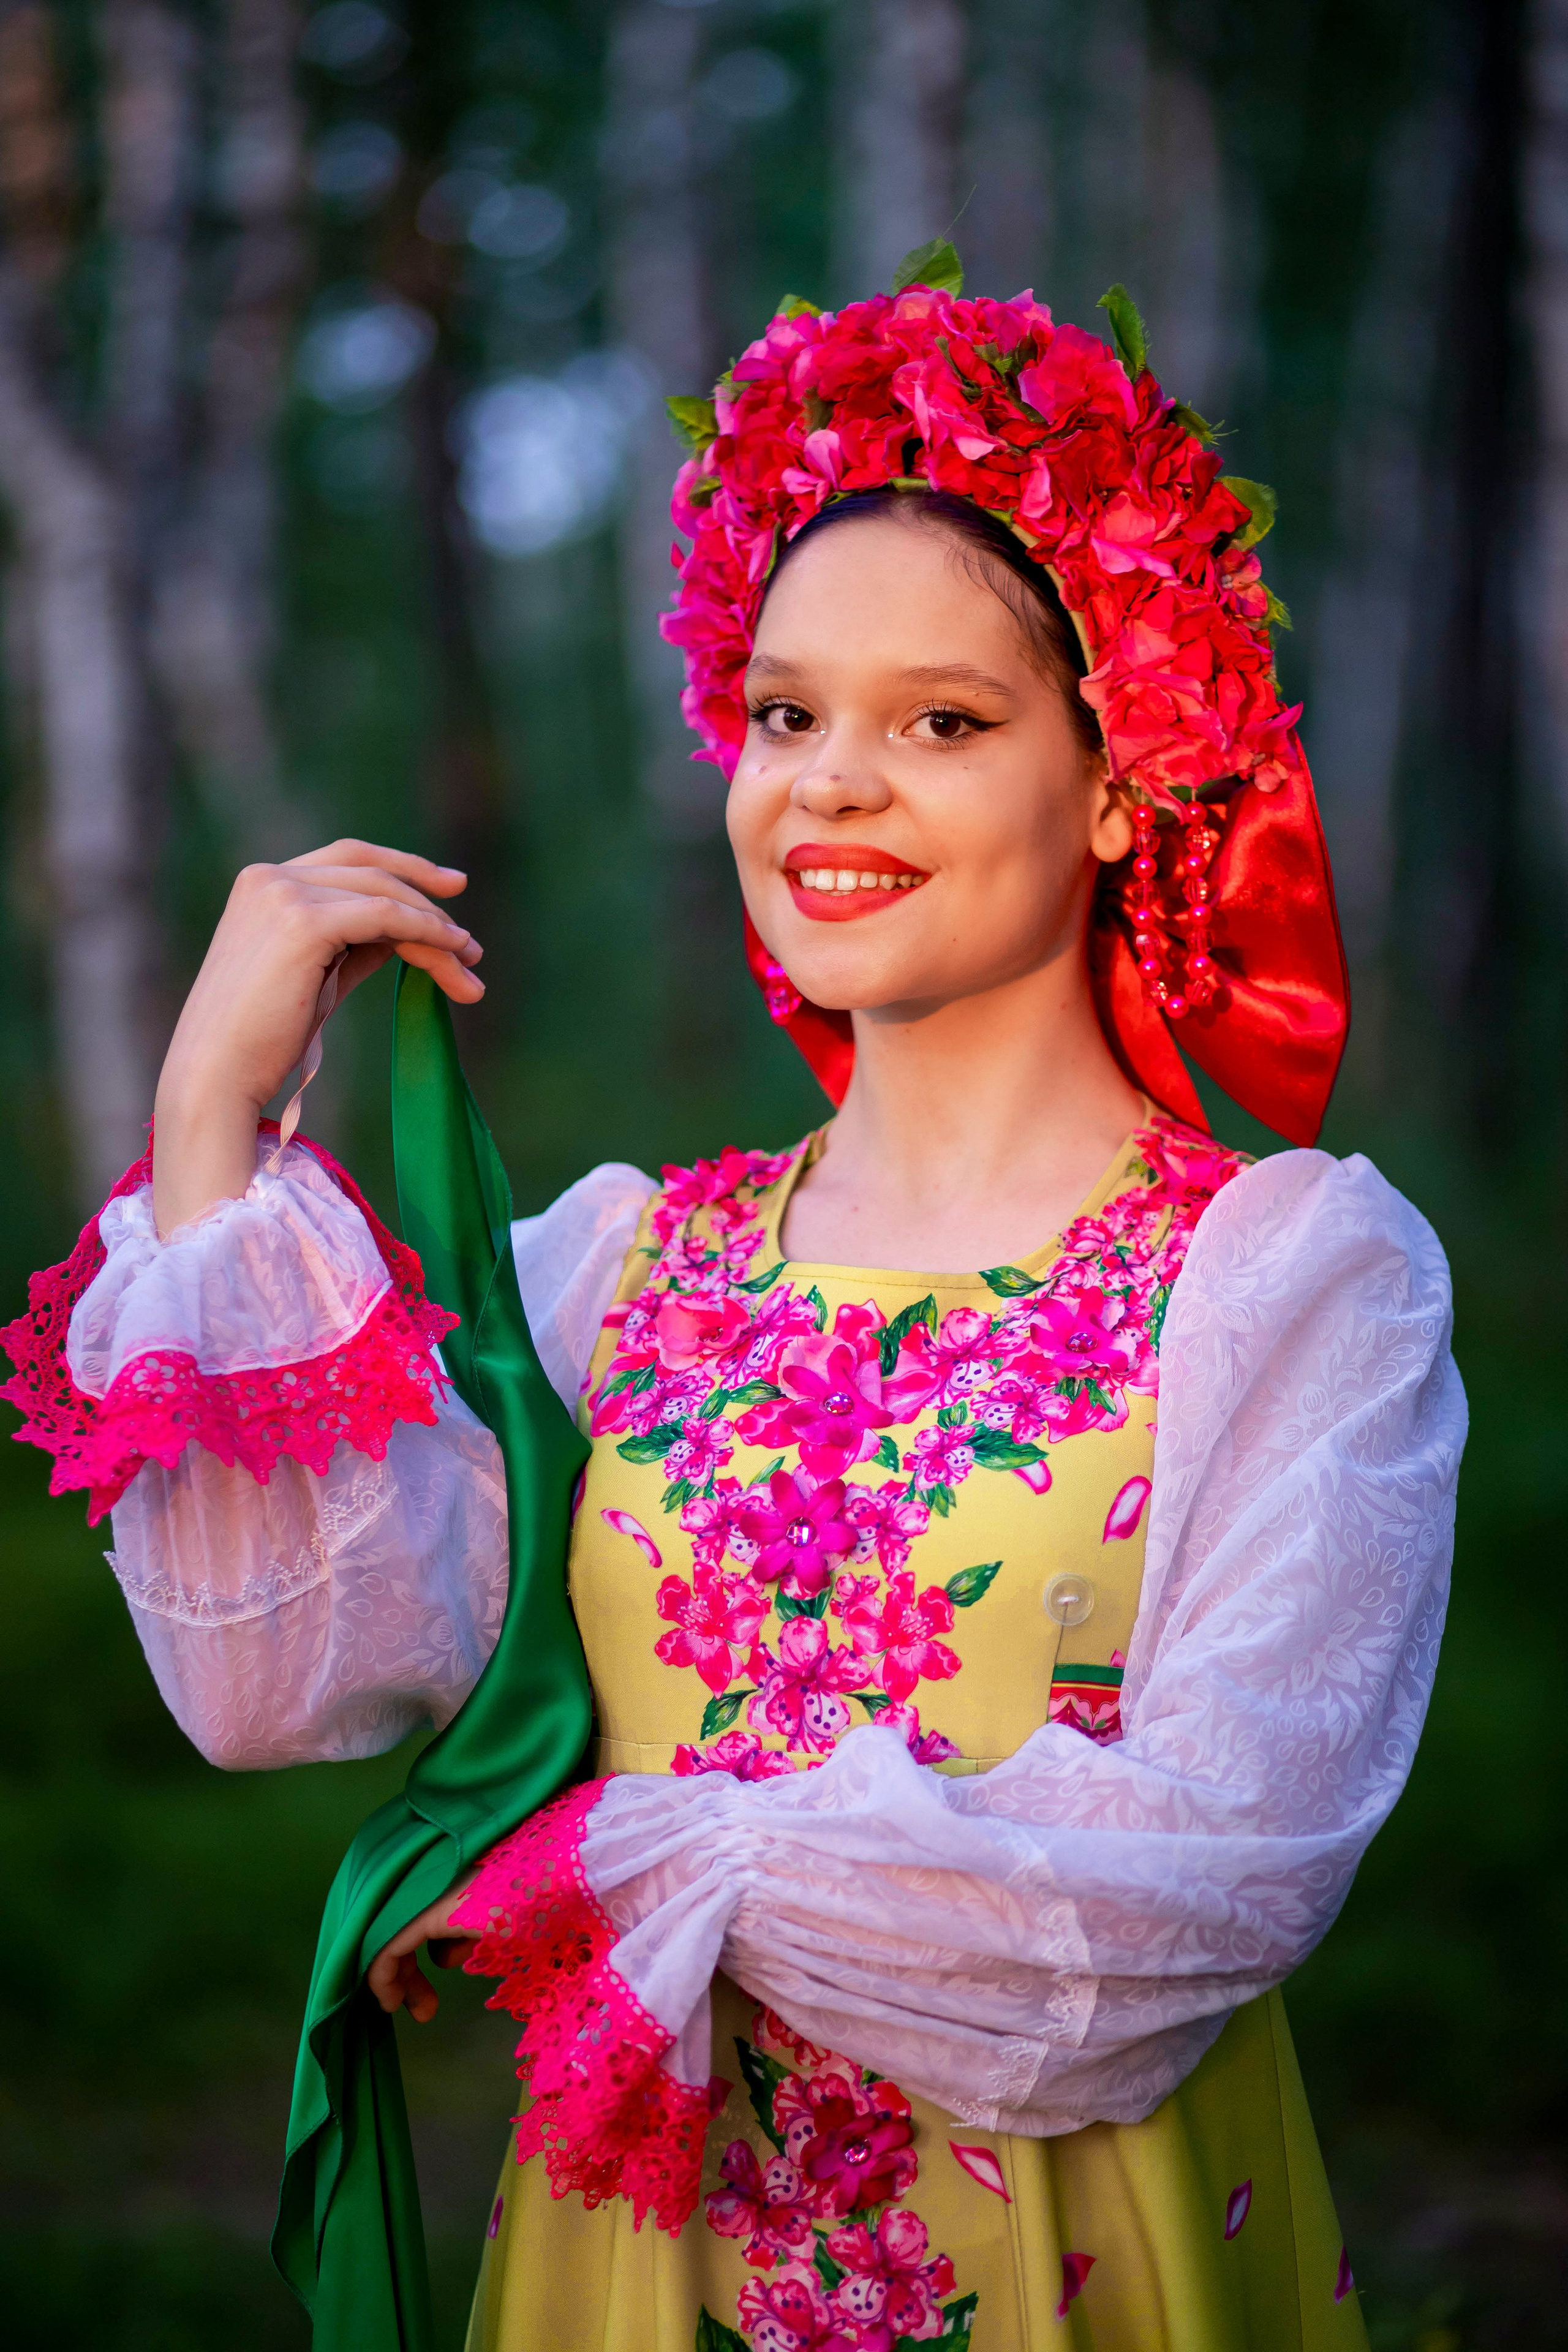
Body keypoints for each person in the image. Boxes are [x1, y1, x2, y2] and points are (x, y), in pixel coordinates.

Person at [4, 258, 1464, 2352]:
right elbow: (276, 1681)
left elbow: (1218, 1863)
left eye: (939, 722)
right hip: (639, 2254)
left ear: (1126, 776)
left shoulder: (1290, 1275)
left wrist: (616, 1860)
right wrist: (211, 1119)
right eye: (786, 712)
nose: (829, 784)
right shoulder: (624, 1270)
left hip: (1075, 2258)